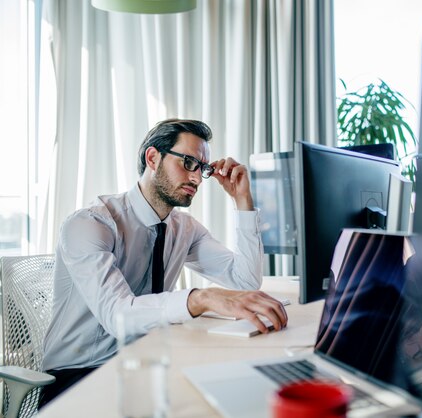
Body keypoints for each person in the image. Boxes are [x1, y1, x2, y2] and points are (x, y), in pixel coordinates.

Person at [40, 119, 287, 406]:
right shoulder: (90, 224)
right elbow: (117, 316)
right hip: (78, 377)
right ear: (153, 158)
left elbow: (244, 280)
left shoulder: (184, 228)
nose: (196, 178)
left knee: (239, 395)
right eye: (188, 162)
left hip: (148, 360)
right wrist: (201, 298)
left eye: (202, 169)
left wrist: (242, 201)